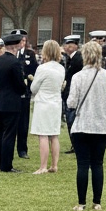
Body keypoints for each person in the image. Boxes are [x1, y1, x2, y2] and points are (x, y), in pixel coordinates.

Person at [66, 40, 106, 211]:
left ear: (84, 56)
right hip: (102, 125)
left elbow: (71, 102)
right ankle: (97, 202)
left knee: (83, 164)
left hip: (82, 124)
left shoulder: (77, 77)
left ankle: (81, 202)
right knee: (98, 163)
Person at [0, 33, 27, 173]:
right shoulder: (15, 63)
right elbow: (19, 84)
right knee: (9, 135)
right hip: (11, 103)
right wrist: (24, 88)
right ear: (16, 46)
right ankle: (6, 165)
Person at [29, 39, 65, 174]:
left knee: (43, 135)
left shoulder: (42, 68)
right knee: (54, 135)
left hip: (43, 103)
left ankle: (43, 166)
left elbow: (34, 88)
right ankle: (54, 165)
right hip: (56, 103)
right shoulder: (61, 68)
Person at [16, 33, 40, 157]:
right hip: (13, 92)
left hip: (25, 92)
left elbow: (34, 70)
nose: (22, 43)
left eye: (24, 41)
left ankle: (22, 149)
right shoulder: (11, 54)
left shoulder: (30, 54)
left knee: (23, 122)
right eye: (20, 41)